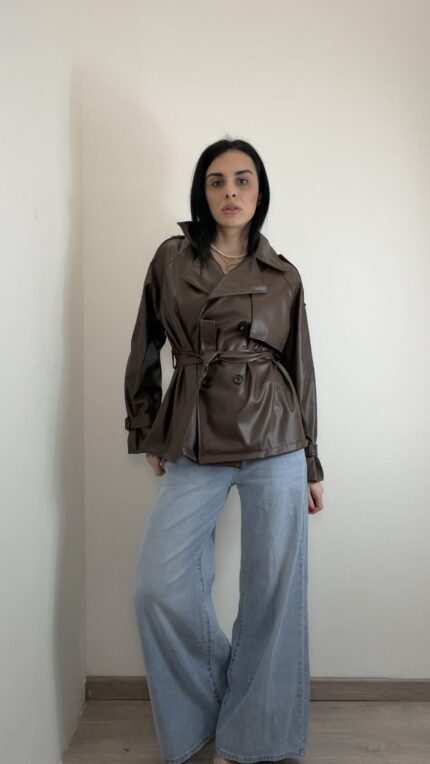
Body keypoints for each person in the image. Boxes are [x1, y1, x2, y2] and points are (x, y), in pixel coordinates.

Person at [124, 138, 325, 764]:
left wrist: (311, 461)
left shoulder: (283, 275)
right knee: (157, 587)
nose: (230, 192)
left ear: (259, 192)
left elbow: (301, 369)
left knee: (272, 595)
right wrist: (147, 425)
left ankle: (254, 738)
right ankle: (220, 706)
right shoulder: (171, 258)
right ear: (202, 192)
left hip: (276, 436)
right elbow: (144, 342)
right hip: (192, 433)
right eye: (217, 181)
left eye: (243, 180)